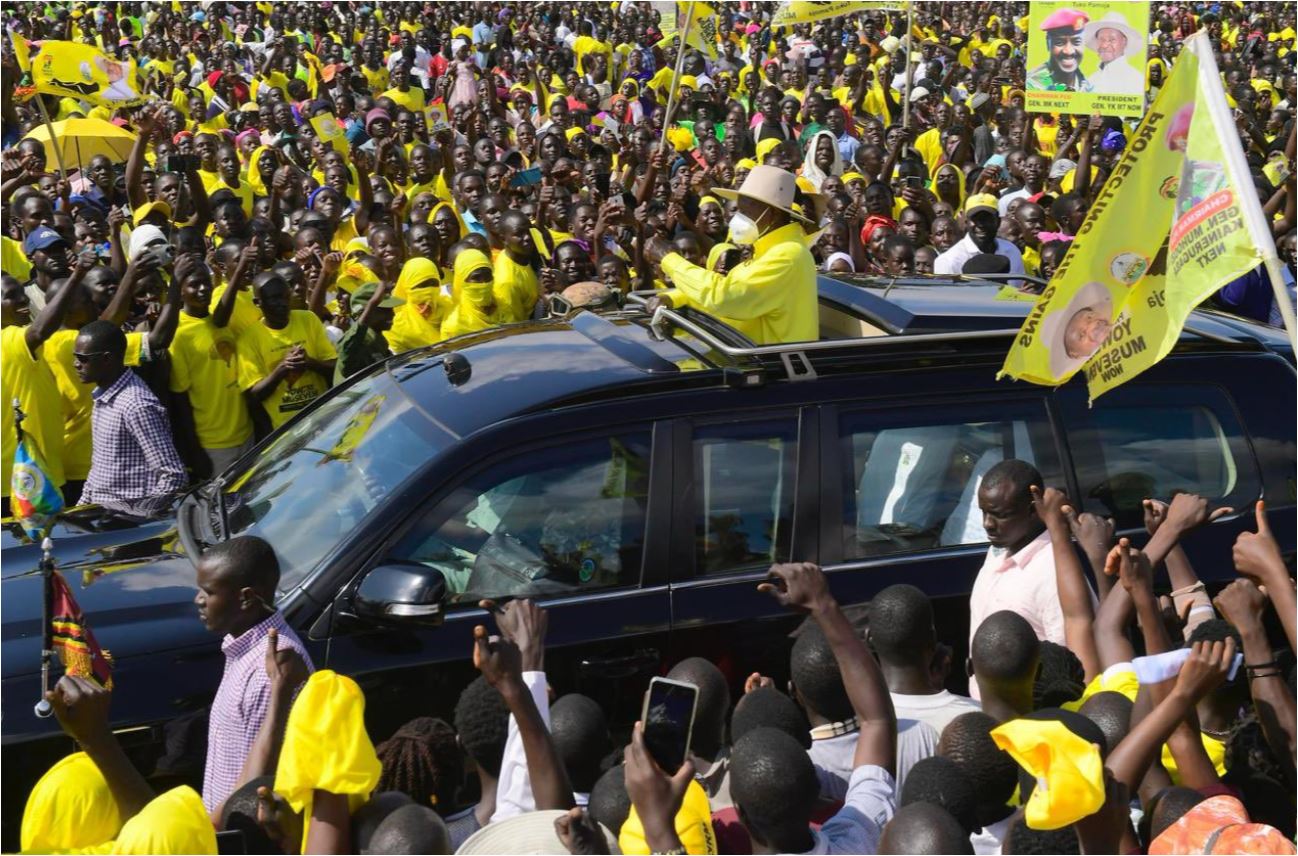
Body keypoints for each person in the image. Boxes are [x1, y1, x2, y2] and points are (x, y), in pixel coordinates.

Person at [646, 165, 818, 345]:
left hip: (775, 361)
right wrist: (674, 298)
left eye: (745, 212)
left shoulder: (788, 255)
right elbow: (730, 293)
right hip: (746, 354)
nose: (737, 218)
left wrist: (668, 258)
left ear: (773, 214)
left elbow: (724, 297)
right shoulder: (766, 249)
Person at [74, 321, 186, 510]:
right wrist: (79, 509)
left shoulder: (136, 405)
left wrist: (140, 515)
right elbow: (99, 470)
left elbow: (173, 476)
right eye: (75, 357)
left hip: (128, 519)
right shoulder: (103, 397)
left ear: (107, 359)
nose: (76, 364)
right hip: (101, 515)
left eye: (83, 358)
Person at [934, 195, 1025, 277]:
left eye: (987, 218)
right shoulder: (949, 261)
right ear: (966, 222)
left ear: (998, 222)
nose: (981, 224)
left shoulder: (1011, 251)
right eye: (975, 219)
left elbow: (1018, 287)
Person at [334, 281, 402, 384]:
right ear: (365, 312)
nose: (393, 314)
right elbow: (346, 360)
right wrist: (371, 305)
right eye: (385, 310)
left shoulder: (378, 339)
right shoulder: (359, 341)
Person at [1026, 9, 1093, 92]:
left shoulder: (1089, 87)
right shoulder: (1031, 84)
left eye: (1076, 42)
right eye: (1059, 42)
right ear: (1048, 43)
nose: (1069, 51)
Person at [1085, 13, 1145, 95]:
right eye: (1101, 40)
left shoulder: (1136, 81)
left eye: (1112, 40)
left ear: (1124, 42)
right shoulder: (1091, 81)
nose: (1104, 45)